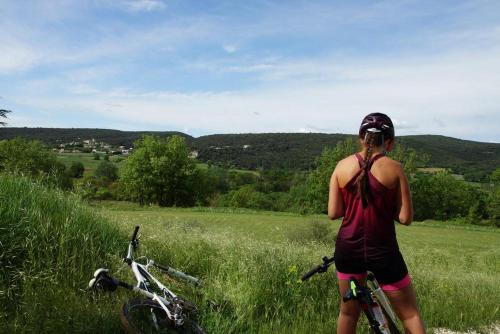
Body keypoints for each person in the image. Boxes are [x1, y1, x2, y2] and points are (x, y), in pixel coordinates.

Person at [328, 113, 425, 334]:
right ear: (389, 141)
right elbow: (405, 218)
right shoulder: (395, 168)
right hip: (383, 250)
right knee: (409, 315)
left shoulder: (341, 166)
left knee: (348, 313)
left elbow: (334, 213)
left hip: (348, 249)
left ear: (361, 138)